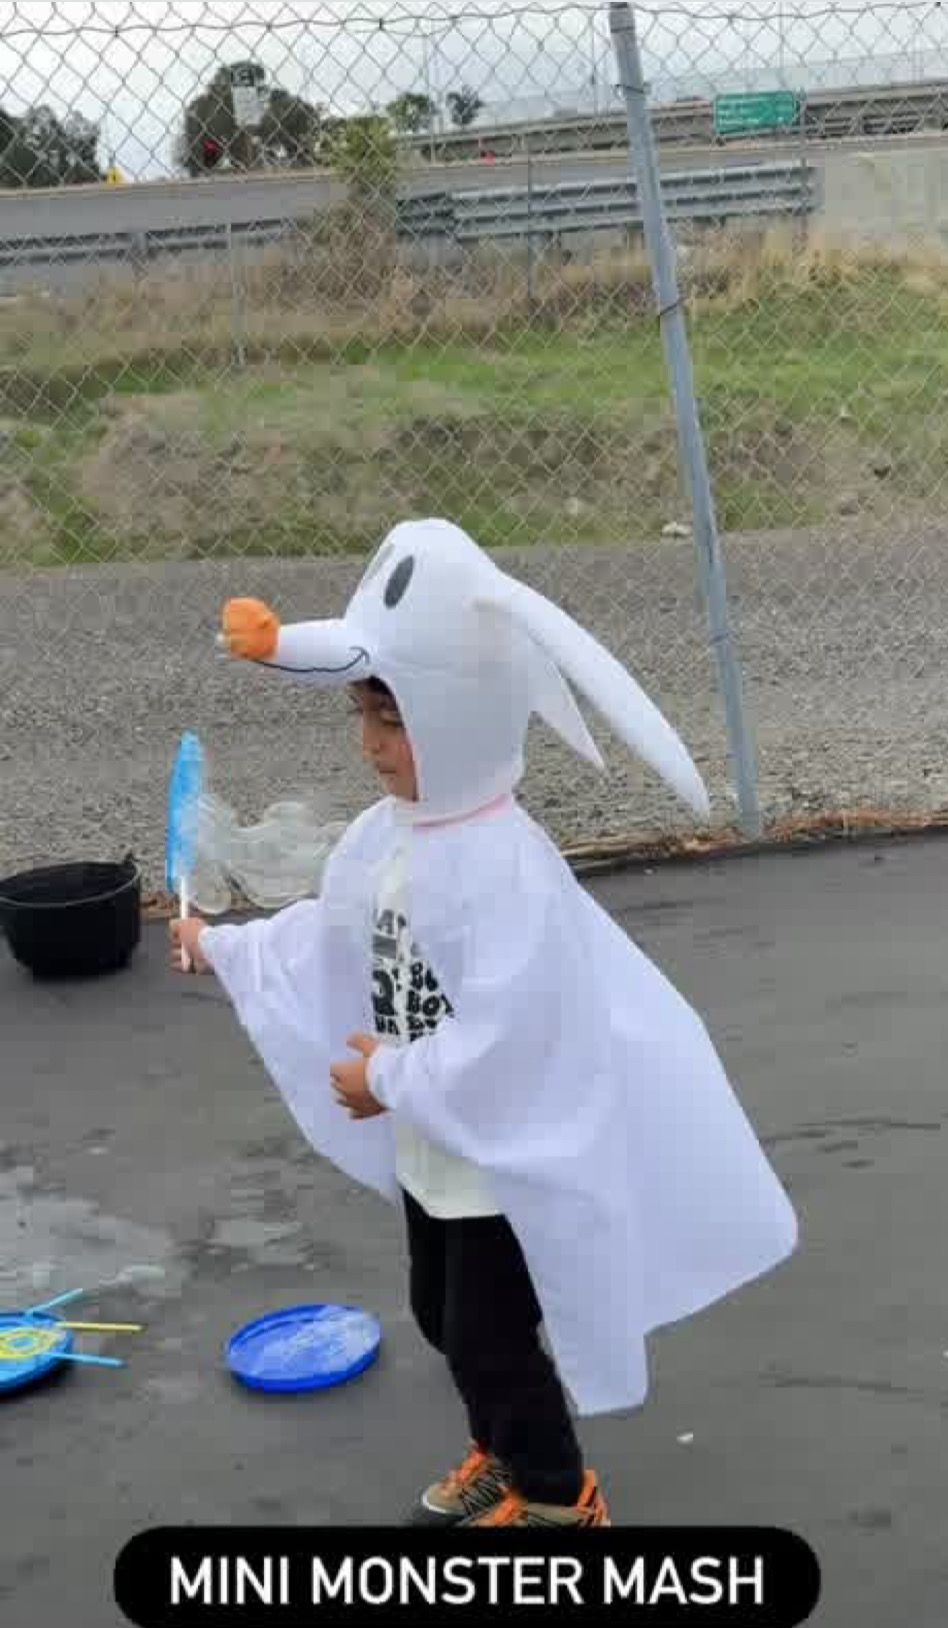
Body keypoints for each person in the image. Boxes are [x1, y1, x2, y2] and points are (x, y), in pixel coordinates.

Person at [171, 517, 797, 1528]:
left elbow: (518, 1039)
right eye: (364, 715)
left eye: (394, 718)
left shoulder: (502, 867)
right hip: (436, 1136)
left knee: (490, 1336)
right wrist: (221, 945)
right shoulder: (388, 835)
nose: (371, 744)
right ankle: (501, 1449)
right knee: (441, 1316)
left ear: (461, 714)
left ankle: (560, 1499)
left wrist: (385, 1079)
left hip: (500, 1152)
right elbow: (329, 937)